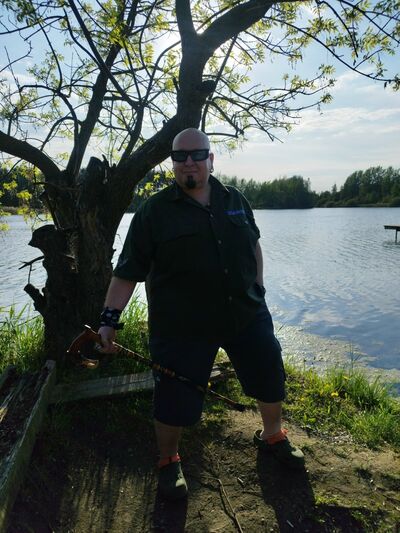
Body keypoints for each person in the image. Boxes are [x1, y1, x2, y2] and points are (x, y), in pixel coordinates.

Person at [98, 128, 305, 500]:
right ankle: (169, 460)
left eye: (197, 154)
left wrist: (258, 288)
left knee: (268, 371)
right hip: (182, 326)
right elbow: (127, 272)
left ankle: (272, 435)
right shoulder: (153, 212)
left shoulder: (235, 199)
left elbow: (254, 246)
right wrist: (109, 320)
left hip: (245, 313)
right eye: (180, 156)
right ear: (173, 163)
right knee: (173, 395)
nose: (189, 162)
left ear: (210, 158)